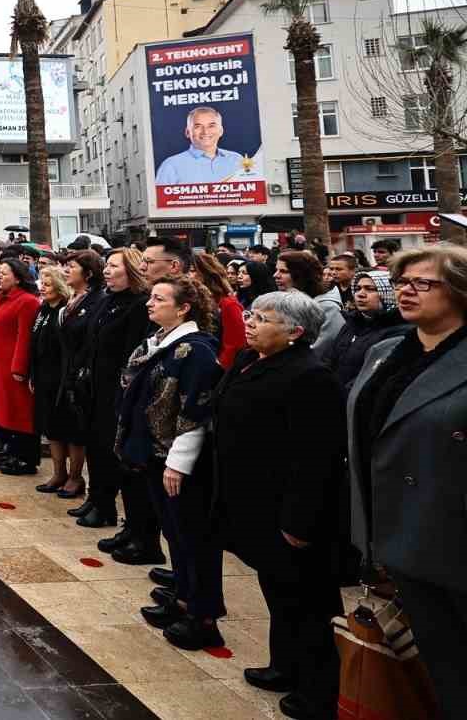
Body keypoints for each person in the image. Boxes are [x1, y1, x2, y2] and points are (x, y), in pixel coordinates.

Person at [213, 290, 345, 719]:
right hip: (255, 502)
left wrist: (299, 521)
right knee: (277, 593)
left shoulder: (310, 376)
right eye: (252, 315)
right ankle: (283, 666)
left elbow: (315, 456)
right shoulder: (250, 361)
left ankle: (319, 691)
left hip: (290, 511)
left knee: (308, 604)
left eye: (263, 319)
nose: (250, 323)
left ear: (296, 332)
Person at [348, 243, 467, 716]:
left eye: (423, 283)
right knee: (431, 667)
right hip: (394, 538)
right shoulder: (385, 351)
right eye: (401, 282)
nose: (406, 291)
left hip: (448, 539)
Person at [119, 277, 225, 651]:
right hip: (154, 454)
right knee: (175, 534)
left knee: (193, 538)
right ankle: (182, 597)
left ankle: (203, 615)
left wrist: (177, 463)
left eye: (159, 299)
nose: (150, 304)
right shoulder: (163, 343)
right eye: (151, 297)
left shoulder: (195, 351)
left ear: (183, 308)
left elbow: (195, 409)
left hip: (177, 460)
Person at [75, 247, 155, 544]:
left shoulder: (138, 304)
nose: (107, 271)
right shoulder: (106, 300)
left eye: (114, 266)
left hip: (117, 388)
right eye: (106, 266)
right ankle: (96, 499)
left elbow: (133, 350)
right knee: (95, 444)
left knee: (110, 448)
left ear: (130, 270)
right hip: (94, 384)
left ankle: (107, 504)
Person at [53, 250, 103, 501]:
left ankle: (76, 477)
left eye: (71, 266)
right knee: (61, 423)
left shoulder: (95, 301)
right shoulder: (72, 299)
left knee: (77, 428)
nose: (65, 271)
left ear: (89, 273)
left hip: (81, 372)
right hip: (65, 369)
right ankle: (61, 474)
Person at [0, 258, 42, 474]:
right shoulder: (1, 298)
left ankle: (25, 458)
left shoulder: (26, 301)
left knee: (20, 413)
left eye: (5, 273)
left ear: (18, 278)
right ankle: (10, 452)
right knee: (5, 411)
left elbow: (24, 336)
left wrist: (19, 368)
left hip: (13, 368)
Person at [30, 266, 76, 491]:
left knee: (68, 428)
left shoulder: (66, 310)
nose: (43, 288)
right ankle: (59, 473)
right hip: (42, 375)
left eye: (48, 284)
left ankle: (74, 477)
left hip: (61, 377)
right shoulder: (43, 309)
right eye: (42, 284)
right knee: (50, 427)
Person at [325, 269, 406, 390]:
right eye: (358, 289)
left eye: (370, 289)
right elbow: (329, 359)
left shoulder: (398, 331)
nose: (360, 294)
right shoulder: (351, 323)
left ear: (388, 293)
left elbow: (375, 377)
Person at [155, 105, 249, 185]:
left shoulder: (237, 160)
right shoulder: (171, 165)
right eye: (198, 126)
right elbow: (160, 203)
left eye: (211, 126)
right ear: (187, 132)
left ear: (221, 131)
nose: (205, 131)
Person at [274, 249, 344, 357]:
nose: (276, 275)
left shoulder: (327, 307)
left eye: (284, 271)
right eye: (277, 270)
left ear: (301, 275)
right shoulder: (284, 301)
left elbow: (319, 349)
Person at [192, 252, 245, 368]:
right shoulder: (193, 302)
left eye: (192, 271)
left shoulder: (228, 304)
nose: (187, 275)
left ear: (206, 273)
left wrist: (217, 369)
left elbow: (235, 345)